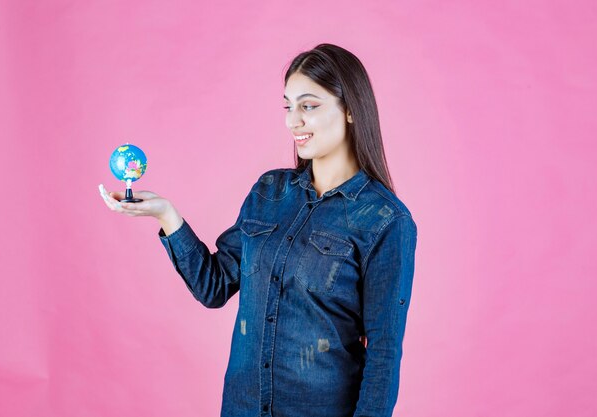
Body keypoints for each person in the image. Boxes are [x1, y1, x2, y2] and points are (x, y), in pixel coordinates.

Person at [99, 43, 418, 417]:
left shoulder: (385, 220)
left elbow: (383, 354)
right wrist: (167, 216)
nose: (292, 121)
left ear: (350, 110)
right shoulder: (269, 192)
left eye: (308, 106)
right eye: (288, 106)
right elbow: (214, 286)